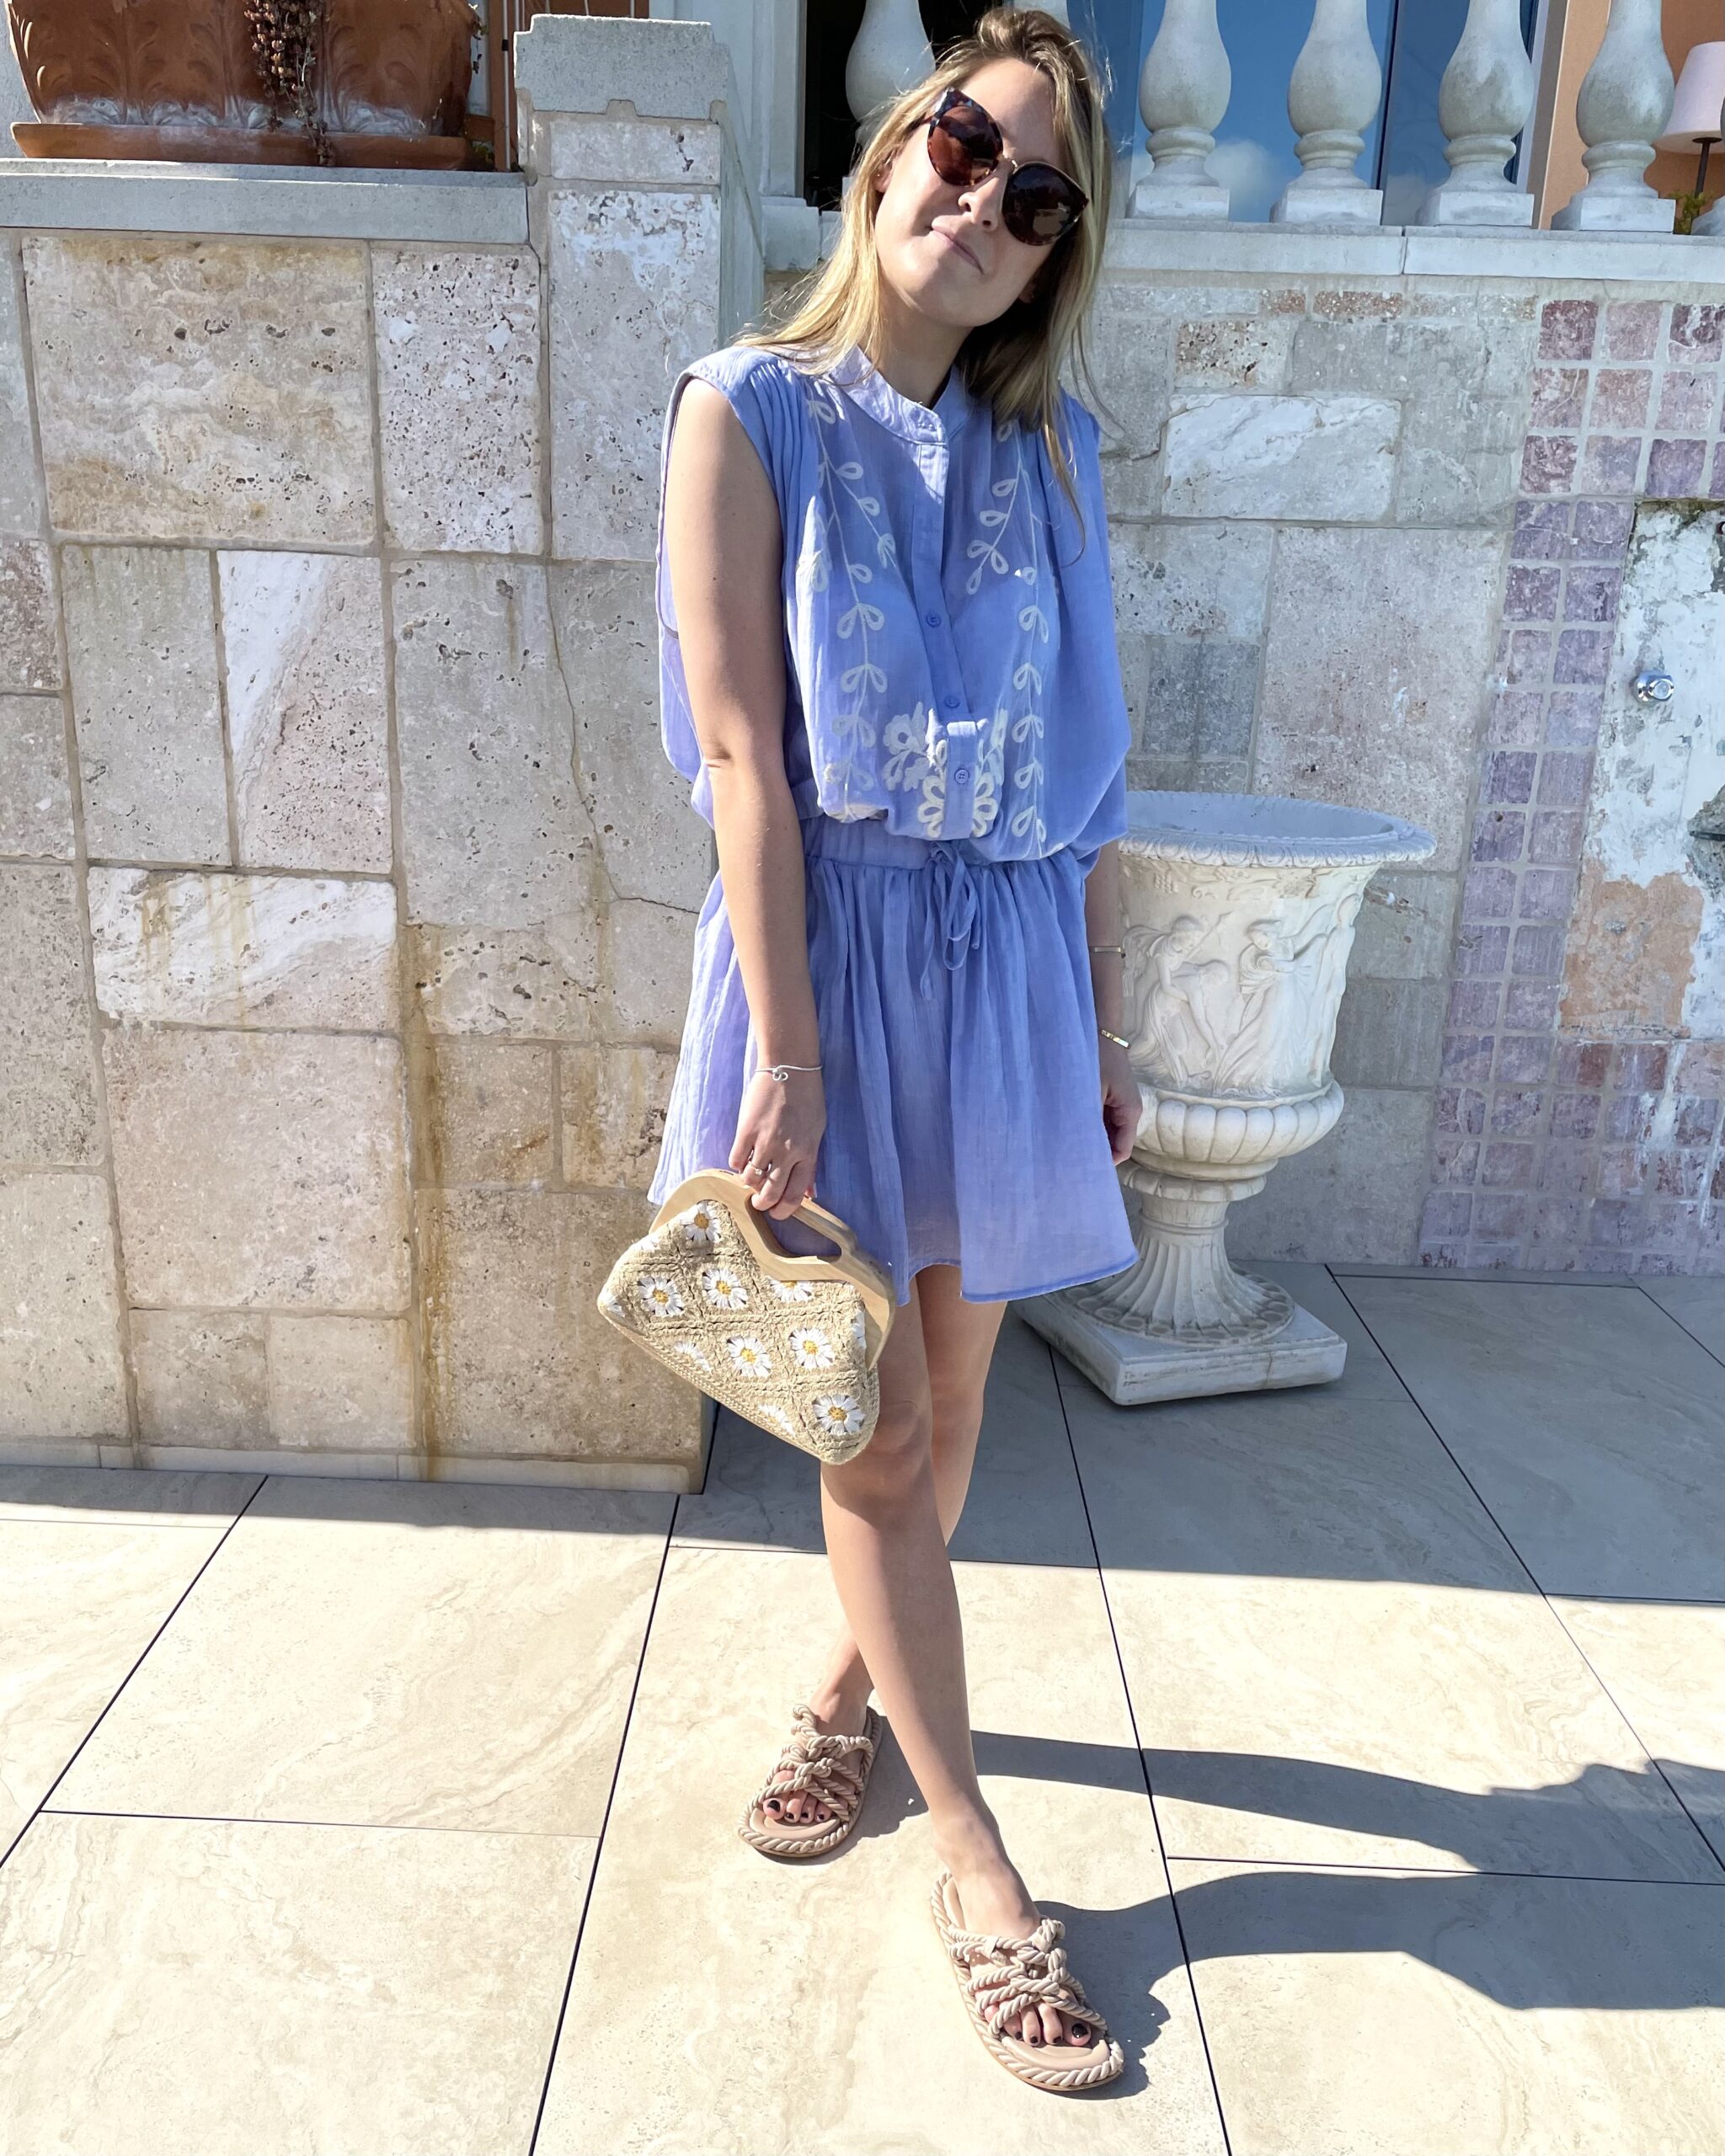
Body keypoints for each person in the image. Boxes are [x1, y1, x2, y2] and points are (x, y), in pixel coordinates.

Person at [648, 7, 1138, 2092]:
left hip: (1004, 968)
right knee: (871, 1433)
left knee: (943, 1407)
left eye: (1036, 199)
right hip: (830, 969)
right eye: (961, 144)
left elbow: (1082, 786)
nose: (982, 202)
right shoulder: (743, 410)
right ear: (882, 151)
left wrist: (1094, 1023)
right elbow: (744, 760)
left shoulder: (1054, 451)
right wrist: (789, 1049)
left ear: (1050, 258)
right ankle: (977, 1863)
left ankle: (846, 1702)